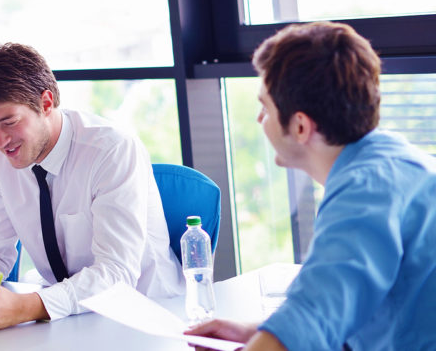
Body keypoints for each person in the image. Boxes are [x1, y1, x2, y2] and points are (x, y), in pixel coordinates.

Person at [186, 22, 436, 351]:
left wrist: (277, 340)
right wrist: (259, 332)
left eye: (266, 108)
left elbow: (311, 318)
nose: (260, 121)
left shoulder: (364, 193)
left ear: (301, 125)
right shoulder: (393, 162)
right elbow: (350, 305)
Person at [0, 43, 183, 331]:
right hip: (67, 318)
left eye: (8, 122)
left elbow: (116, 273)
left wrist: (25, 307)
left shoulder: (111, 150)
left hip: (145, 315)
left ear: (46, 103)